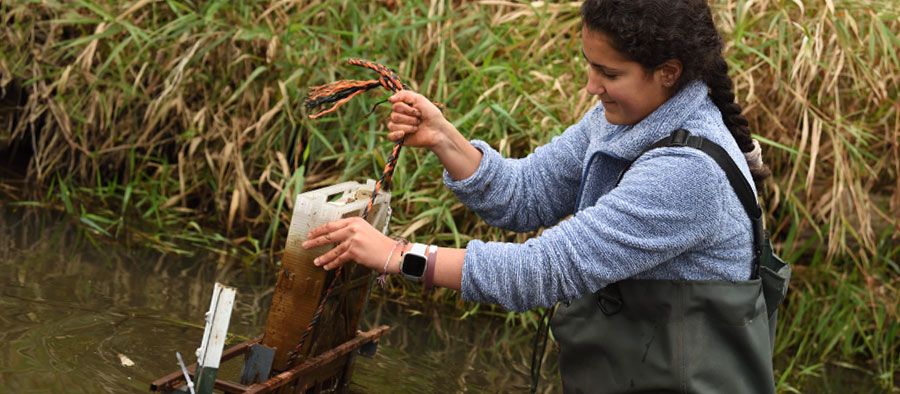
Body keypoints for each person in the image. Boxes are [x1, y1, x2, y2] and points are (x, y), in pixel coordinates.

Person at [302, 0, 784, 392]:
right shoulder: (622, 117)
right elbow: (524, 195)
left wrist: (398, 256)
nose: (591, 86)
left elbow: (541, 271)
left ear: (668, 72)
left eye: (609, 74)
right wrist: (444, 138)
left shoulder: (688, 173)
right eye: (590, 66)